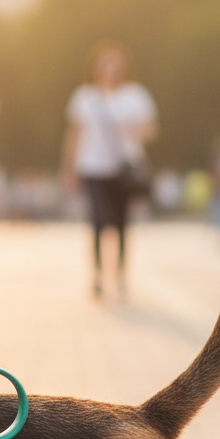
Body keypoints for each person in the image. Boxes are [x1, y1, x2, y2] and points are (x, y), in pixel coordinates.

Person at [61, 40, 157, 299]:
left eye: (116, 66)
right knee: (97, 220)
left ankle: (122, 274)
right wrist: (68, 169)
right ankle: (98, 275)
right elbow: (74, 134)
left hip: (124, 169)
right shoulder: (85, 97)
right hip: (93, 166)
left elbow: (151, 130)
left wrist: (131, 127)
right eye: (106, 65)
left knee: (123, 224)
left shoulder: (136, 96)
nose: (110, 71)